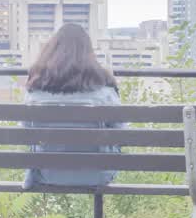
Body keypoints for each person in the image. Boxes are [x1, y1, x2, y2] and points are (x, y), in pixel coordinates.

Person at [22, 23, 124, 189]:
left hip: (47, 173)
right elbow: (121, 134)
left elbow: (26, 133)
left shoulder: (34, 92)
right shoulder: (105, 92)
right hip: (96, 175)